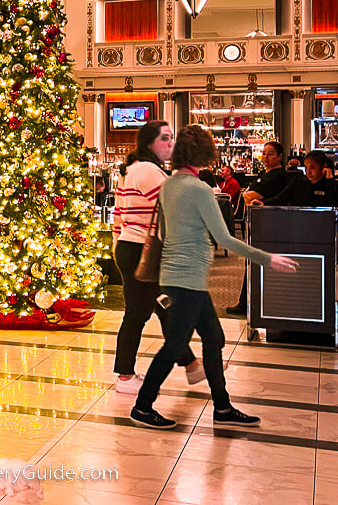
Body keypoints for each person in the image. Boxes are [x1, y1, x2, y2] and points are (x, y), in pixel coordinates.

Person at [130, 126, 298, 429]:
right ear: (204, 154)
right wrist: (268, 259)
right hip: (187, 280)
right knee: (175, 345)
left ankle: (222, 407)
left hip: (174, 277)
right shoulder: (199, 189)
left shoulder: (169, 185)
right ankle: (143, 406)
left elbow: (166, 234)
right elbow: (225, 238)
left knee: (213, 338)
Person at [112, 121, 203, 394]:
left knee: (165, 308)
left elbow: (119, 216)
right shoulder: (147, 170)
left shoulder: (131, 171)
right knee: (140, 313)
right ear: (149, 142)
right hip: (144, 250)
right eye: (165, 138)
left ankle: (192, 365)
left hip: (134, 248)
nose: (170, 144)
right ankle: (125, 376)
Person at [226, 141, 296, 315]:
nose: (265, 157)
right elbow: (246, 197)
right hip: (259, 223)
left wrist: (249, 196)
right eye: (264, 153)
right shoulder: (265, 175)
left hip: (269, 225)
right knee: (252, 261)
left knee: (256, 261)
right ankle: (245, 302)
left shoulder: (277, 176)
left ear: (280, 156)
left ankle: (249, 303)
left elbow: (249, 196)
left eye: (270, 153)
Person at [253, 150, 337, 207]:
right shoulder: (299, 180)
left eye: (313, 168)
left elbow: (333, 203)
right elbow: (282, 197)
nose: (309, 172)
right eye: (306, 168)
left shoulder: (330, 185)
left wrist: (329, 180)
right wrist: (264, 203)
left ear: (324, 167)